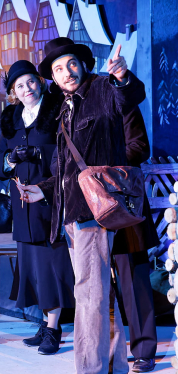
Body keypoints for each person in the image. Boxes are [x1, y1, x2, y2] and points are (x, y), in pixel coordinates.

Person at [17, 37, 147, 374]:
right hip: (71, 213)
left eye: (71, 63)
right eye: (58, 69)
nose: (66, 72)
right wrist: (43, 190)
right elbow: (64, 167)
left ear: (83, 64)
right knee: (98, 293)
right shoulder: (65, 107)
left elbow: (129, 96)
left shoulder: (103, 89)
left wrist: (122, 77)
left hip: (94, 211)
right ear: (53, 77)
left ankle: (91, 369)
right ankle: (113, 365)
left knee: (88, 294)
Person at [0, 60, 75, 355]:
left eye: (30, 81)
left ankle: (54, 328)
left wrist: (39, 152)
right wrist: (11, 159)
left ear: (40, 82)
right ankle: (44, 323)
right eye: (19, 85)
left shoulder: (56, 111)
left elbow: (67, 154)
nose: (26, 88)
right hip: (22, 207)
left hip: (50, 201)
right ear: (13, 92)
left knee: (51, 267)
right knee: (34, 270)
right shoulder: (10, 118)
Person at [112, 106, 159, 373]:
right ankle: (107, 348)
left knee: (134, 279)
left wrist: (104, 162)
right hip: (85, 205)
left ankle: (143, 350)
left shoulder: (121, 103)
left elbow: (139, 147)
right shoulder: (72, 106)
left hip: (123, 202)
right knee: (94, 286)